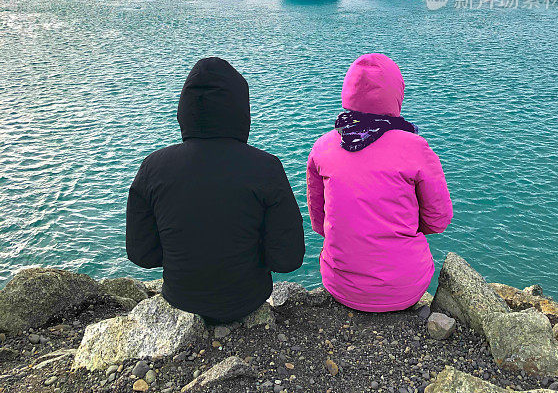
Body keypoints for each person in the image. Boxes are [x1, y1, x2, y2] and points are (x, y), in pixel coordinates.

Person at [126, 56, 305, 323]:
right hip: (248, 298)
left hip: (180, 296)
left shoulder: (153, 166)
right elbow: (288, 258)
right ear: (241, 111)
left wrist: (185, 256)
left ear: (184, 110)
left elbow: (141, 254)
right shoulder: (266, 167)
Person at [306, 53, 452, 312]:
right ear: (396, 93)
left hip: (339, 284)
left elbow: (320, 222)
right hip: (405, 287)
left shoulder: (323, 146)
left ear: (347, 92)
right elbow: (438, 220)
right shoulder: (415, 148)